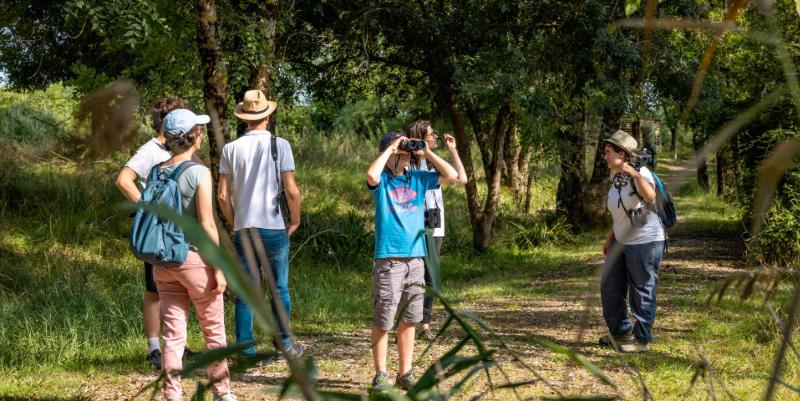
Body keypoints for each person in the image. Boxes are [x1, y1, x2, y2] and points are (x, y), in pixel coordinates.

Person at [366, 130, 458, 392]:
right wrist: (390, 149)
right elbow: (371, 175)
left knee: (410, 318)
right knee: (384, 319)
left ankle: (405, 372)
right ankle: (380, 374)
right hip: (389, 260)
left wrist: (426, 151)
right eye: (402, 153)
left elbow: (451, 175)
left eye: (408, 153)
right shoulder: (382, 181)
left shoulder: (418, 178)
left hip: (415, 259)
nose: (406, 157)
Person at [154, 108, 235, 401]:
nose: (201, 133)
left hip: (163, 263)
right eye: (198, 130)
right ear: (192, 136)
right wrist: (219, 268)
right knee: (213, 331)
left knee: (173, 336)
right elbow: (207, 224)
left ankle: (172, 395)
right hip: (195, 261)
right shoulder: (199, 172)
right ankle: (222, 393)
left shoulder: (157, 170)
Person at [217, 89, 304, 362]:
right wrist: (295, 219)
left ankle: (245, 350)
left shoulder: (230, 149)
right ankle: (283, 345)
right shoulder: (281, 145)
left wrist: (235, 223)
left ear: (244, 118)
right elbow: (291, 190)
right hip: (273, 225)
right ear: (267, 115)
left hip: (245, 227)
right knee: (279, 288)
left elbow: (222, 195)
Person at [115, 97, 197, 369]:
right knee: (155, 290)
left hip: (182, 231)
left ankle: (178, 345)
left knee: (179, 287)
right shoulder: (150, 150)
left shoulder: (181, 146)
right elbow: (123, 179)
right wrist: (147, 210)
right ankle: (153, 348)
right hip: (159, 232)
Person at [599, 130, 666, 353]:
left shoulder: (641, 173)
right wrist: (610, 238)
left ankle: (642, 340)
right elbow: (619, 210)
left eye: (609, 152)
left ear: (623, 154)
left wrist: (636, 176)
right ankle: (620, 333)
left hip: (645, 241)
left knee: (642, 288)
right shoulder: (617, 176)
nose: (605, 156)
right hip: (621, 240)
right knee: (610, 285)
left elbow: (650, 198)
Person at [407, 120, 467, 341]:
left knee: (430, 276)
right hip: (413, 224)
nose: (435, 137)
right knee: (411, 276)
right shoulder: (408, 164)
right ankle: (407, 325)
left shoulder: (434, 164)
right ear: (421, 138)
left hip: (434, 224)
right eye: (431, 135)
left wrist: (453, 151)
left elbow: (462, 178)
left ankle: (425, 325)